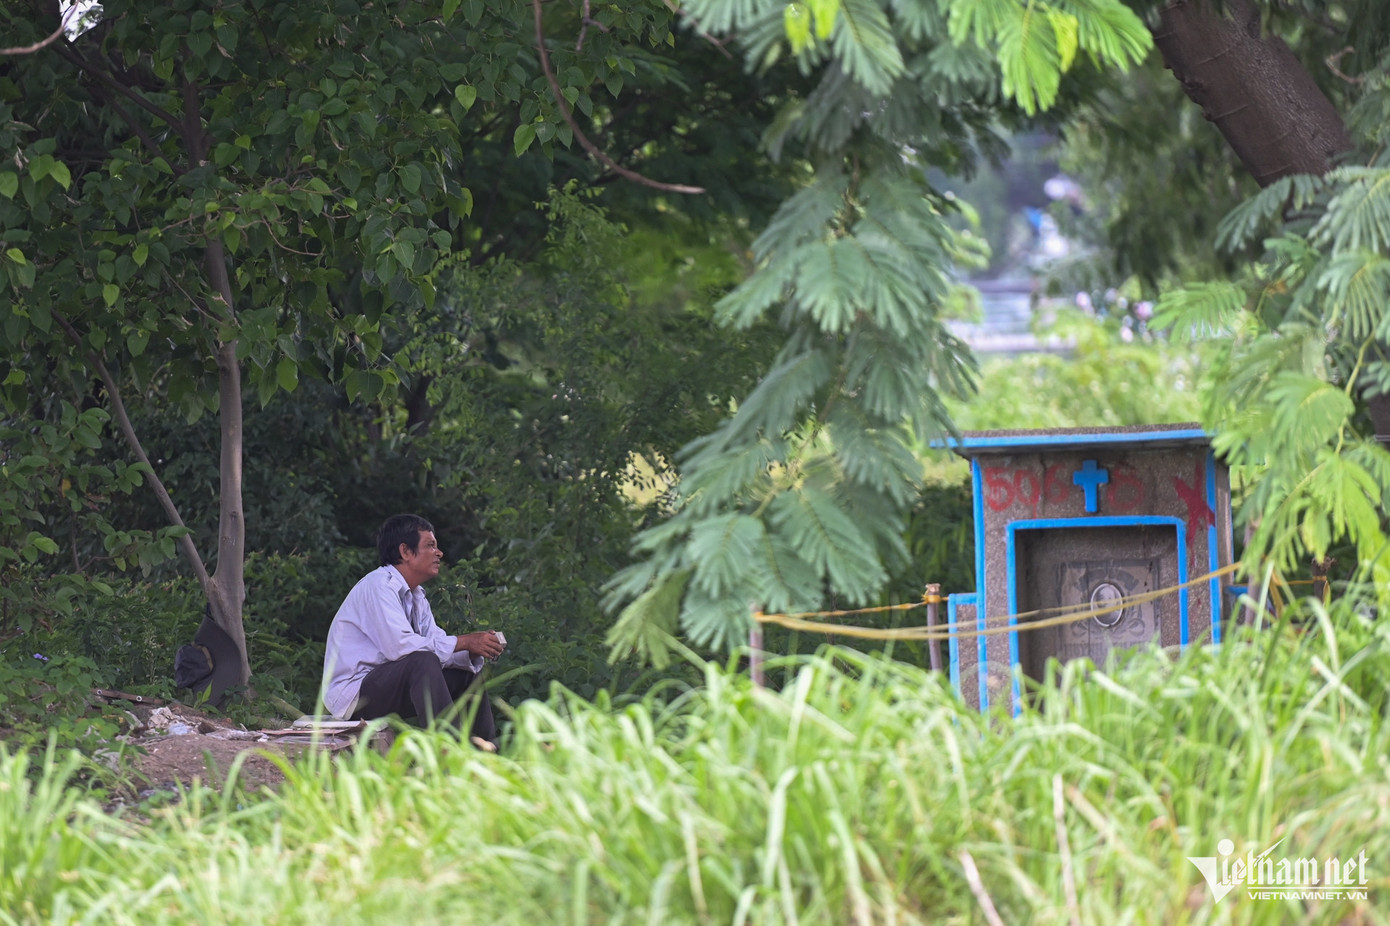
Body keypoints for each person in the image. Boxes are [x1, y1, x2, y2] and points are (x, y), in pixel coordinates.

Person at [322, 513, 507, 748]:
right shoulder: (378, 586)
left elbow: (437, 642)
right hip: (354, 697)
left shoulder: (417, 596)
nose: (439, 553)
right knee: (422, 661)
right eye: (430, 545)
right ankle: (450, 751)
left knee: (465, 673)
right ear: (406, 552)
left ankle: (485, 751)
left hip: (388, 684)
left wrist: (472, 650)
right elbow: (400, 648)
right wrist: (464, 641)